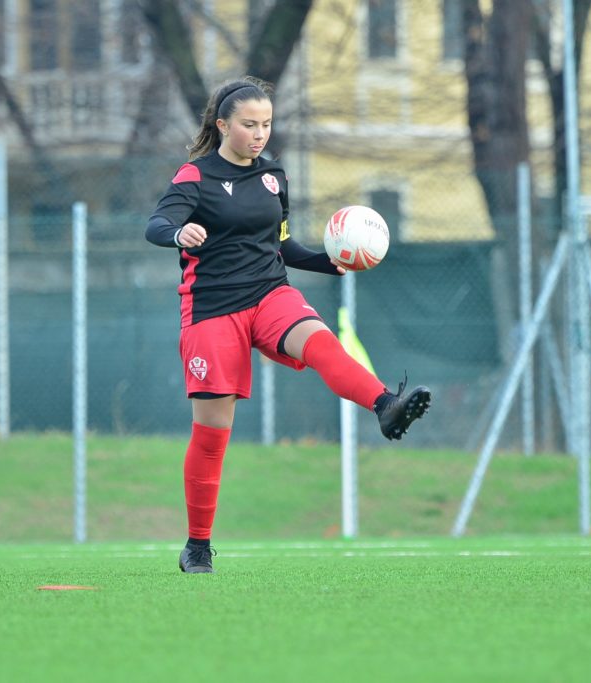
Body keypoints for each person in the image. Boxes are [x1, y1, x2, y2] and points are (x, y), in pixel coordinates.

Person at [145, 76, 431, 574]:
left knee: (322, 344)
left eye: (267, 124)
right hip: (212, 307)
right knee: (213, 434)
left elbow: (282, 246)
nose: (259, 134)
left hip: (270, 292)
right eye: (249, 125)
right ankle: (197, 545)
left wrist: (330, 263)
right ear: (223, 125)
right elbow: (155, 225)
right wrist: (179, 233)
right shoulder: (195, 176)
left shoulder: (273, 176)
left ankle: (386, 405)